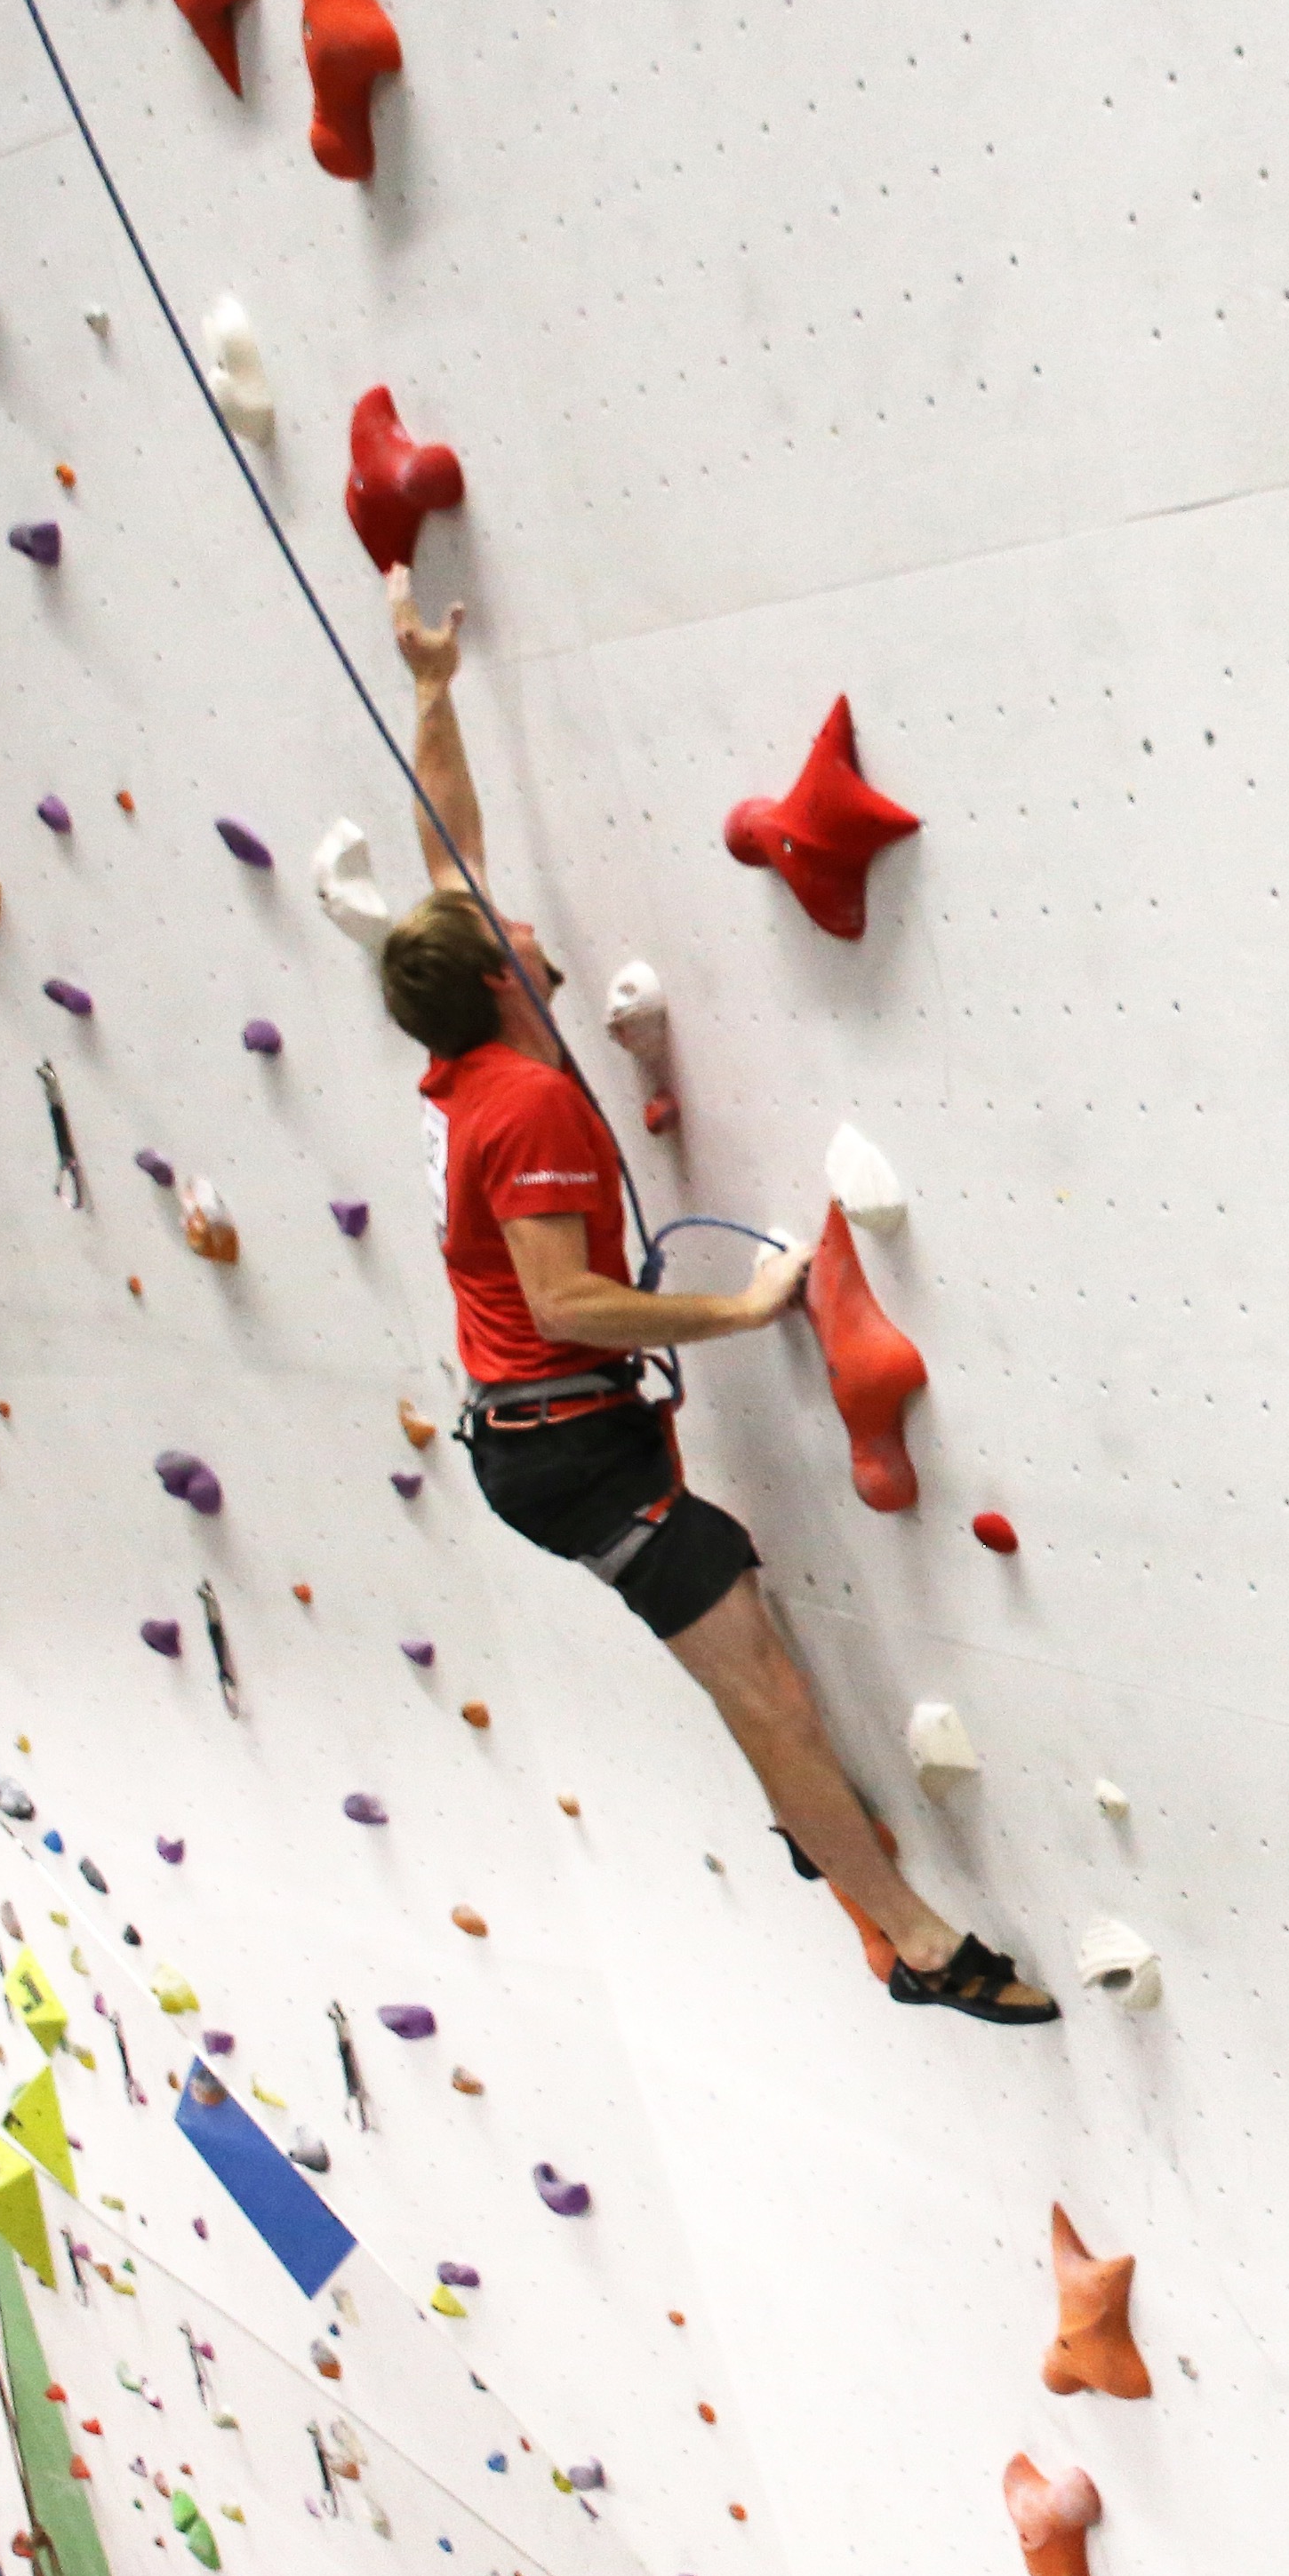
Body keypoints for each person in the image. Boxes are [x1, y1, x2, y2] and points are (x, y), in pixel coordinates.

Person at [372, 572, 1056, 2029]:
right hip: (570, 1443)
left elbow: (448, 837)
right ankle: (920, 1941)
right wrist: (745, 1313)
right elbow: (569, 1300)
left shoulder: (463, 1046)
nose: (533, 933)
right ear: (507, 983)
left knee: (764, 1678)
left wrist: (432, 680)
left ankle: (838, 1841)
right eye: (519, 940)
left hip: (545, 1431)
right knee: (761, 1694)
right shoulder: (528, 1105)